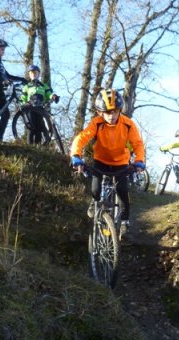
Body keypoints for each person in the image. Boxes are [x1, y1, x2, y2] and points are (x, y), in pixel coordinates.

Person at [70, 89, 145, 236]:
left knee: (122, 191)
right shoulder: (97, 123)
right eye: (108, 112)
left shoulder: (128, 124)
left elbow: (137, 144)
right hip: (101, 161)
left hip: (121, 163)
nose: (112, 116)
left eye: (115, 111)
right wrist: (76, 155)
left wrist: (139, 161)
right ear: (100, 112)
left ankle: (124, 222)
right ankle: (94, 201)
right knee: (96, 189)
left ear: (119, 110)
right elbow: (82, 137)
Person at [19, 65, 59, 144]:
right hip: (30, 109)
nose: (33, 74)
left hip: (40, 109)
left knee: (40, 128)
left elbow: (49, 94)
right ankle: (29, 147)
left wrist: (54, 96)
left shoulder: (44, 86)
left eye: (35, 72)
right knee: (31, 128)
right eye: (31, 73)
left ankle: (38, 147)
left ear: (38, 74)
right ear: (29, 75)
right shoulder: (26, 87)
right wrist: (24, 104)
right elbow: (23, 98)